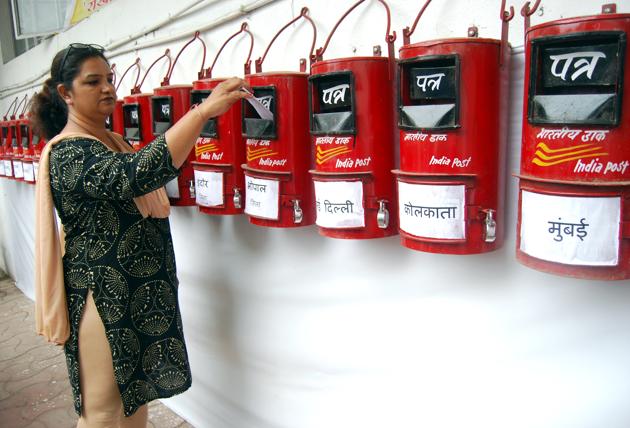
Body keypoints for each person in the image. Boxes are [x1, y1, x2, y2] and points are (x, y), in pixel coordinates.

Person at [30, 42, 248, 427]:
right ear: (65, 93)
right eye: (92, 81)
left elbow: (142, 167)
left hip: (138, 295)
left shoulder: (111, 143)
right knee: (102, 411)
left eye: (109, 79)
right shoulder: (69, 153)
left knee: (135, 401)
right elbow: (134, 174)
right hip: (103, 298)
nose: (107, 89)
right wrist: (202, 113)